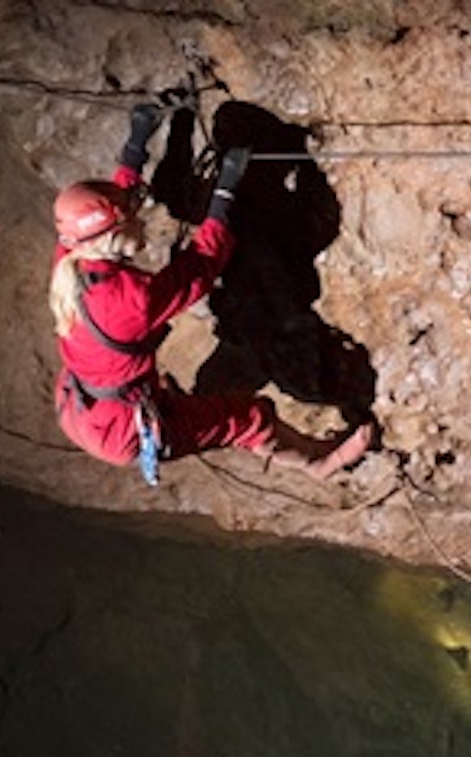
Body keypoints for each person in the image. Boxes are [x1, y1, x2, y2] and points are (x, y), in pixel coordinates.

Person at [49, 103, 373, 484]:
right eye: (133, 217)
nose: (140, 217)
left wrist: (138, 143)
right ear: (114, 236)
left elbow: (114, 200)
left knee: (199, 396)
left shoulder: (72, 256)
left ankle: (176, 404)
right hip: (123, 430)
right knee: (248, 417)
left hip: (80, 404)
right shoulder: (127, 300)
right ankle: (319, 463)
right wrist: (223, 196)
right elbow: (200, 268)